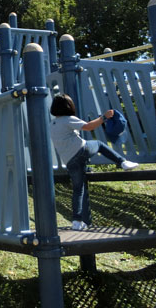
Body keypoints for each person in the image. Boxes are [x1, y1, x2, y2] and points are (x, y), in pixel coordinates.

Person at [49, 93, 138, 231]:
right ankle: (122, 162)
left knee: (78, 189)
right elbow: (89, 126)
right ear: (69, 106)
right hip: (80, 150)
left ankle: (77, 221)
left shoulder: (53, 123)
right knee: (100, 144)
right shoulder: (68, 119)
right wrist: (104, 117)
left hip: (69, 160)